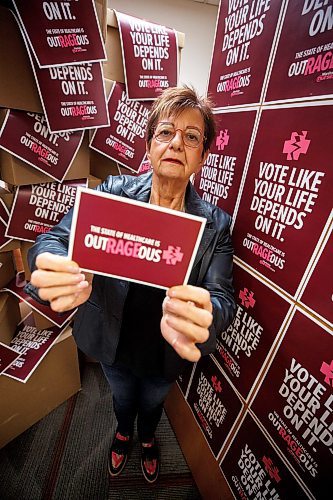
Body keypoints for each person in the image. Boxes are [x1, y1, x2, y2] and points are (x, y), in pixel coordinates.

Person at [26, 86, 235, 483]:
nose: (177, 143)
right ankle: (123, 433)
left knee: (153, 402)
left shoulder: (217, 225)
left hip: (165, 353)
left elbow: (222, 297)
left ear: (203, 158)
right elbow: (53, 241)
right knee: (122, 398)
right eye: (165, 132)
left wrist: (209, 312)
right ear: (151, 145)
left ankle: (149, 437)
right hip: (112, 339)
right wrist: (47, 264)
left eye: (191, 137)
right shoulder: (113, 193)